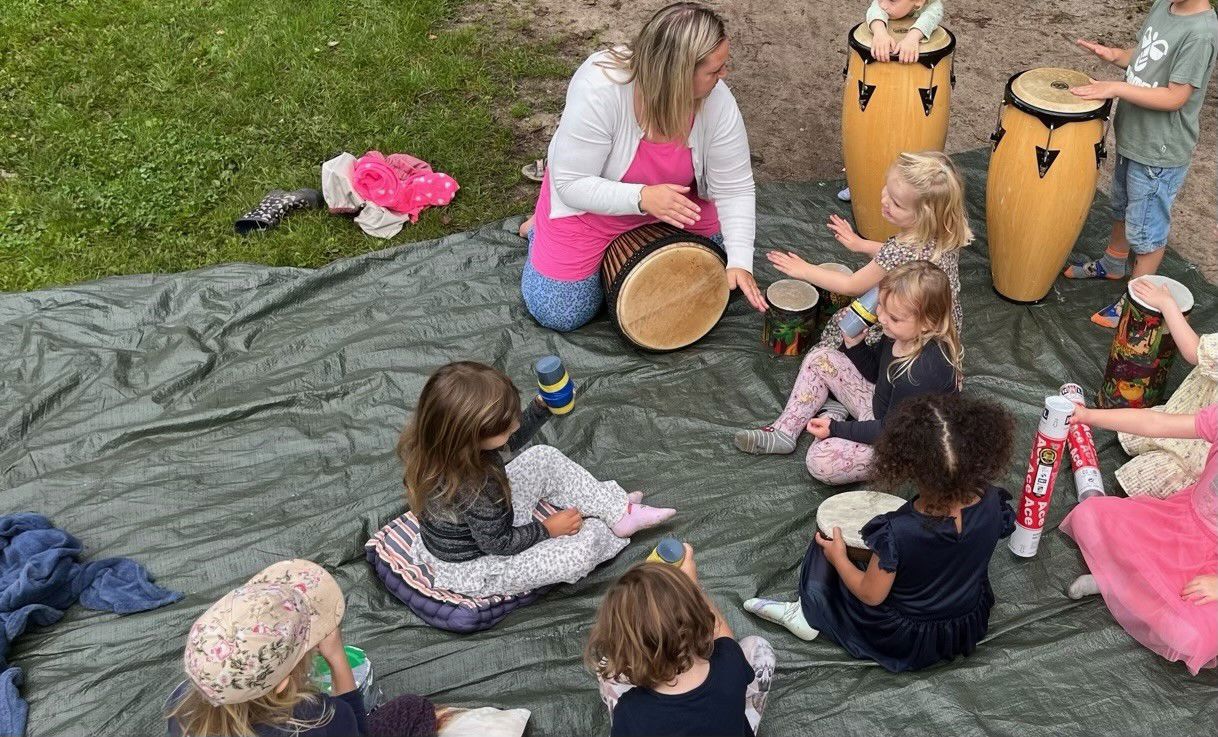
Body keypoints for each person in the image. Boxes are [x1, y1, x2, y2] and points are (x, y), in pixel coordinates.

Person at [517, 2, 767, 332]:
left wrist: (740, 261)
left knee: (717, 278)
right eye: (714, 71)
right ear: (677, 75)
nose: (723, 77)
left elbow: (734, 187)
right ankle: (540, 228)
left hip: (677, 204)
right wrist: (642, 198)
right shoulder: (601, 89)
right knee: (560, 313)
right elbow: (572, 183)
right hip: (593, 207)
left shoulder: (717, 100)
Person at [743, 393, 1016, 672]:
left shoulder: (898, 531)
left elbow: (871, 595)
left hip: (905, 637)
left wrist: (839, 558)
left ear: (906, 465)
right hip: (962, 622)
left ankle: (808, 612)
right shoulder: (994, 502)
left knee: (824, 542)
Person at [398, 361, 675, 599]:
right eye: (506, 425)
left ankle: (618, 511)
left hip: (491, 523)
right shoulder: (477, 489)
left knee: (543, 456)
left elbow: (507, 442)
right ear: (471, 437)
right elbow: (497, 545)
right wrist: (547, 529)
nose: (516, 424)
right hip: (481, 560)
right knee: (576, 555)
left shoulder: (439, 445)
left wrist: (540, 407)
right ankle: (605, 527)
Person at [733, 261, 962, 485]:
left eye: (893, 317)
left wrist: (835, 428)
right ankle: (785, 430)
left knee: (821, 461)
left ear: (927, 323)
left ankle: (838, 418)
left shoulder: (920, 373)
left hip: (904, 444)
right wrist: (855, 346)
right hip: (881, 412)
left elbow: (890, 430)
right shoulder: (900, 334)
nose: (881, 318)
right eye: (881, 306)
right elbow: (875, 373)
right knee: (820, 358)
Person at [1063, 0, 1218, 328]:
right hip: (1135, 139)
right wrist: (1117, 56)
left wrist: (1115, 88)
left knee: (1147, 231)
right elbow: (1150, 54)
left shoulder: (1201, 33)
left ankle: (1136, 304)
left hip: (1159, 152)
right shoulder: (1165, 5)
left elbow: (1176, 96)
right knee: (1122, 207)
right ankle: (1113, 263)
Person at [166, 560, 438, 737]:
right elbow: (355, 729)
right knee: (414, 708)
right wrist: (336, 657)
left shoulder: (181, 705)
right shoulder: (317, 718)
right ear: (282, 684)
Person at [1062, 403, 1217, 675]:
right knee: (1090, 515)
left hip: (1212, 569)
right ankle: (1125, 585)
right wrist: (1088, 416)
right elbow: (1157, 423)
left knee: (1190, 636)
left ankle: (1116, 584)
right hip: (1178, 525)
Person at [769, 150, 970, 352]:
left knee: (846, 324)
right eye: (887, 189)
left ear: (923, 217)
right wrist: (861, 245)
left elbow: (851, 285)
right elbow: (902, 258)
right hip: (940, 327)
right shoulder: (945, 233)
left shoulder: (900, 250)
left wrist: (805, 270)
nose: (885, 200)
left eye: (896, 203)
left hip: (911, 338)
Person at [587, 548, 774, 736]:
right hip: (729, 717)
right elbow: (722, 634)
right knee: (759, 647)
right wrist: (693, 584)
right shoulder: (729, 664)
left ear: (627, 649)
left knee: (608, 671)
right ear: (699, 616)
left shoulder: (631, 712)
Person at [1113, 277, 1216, 497]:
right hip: (1191, 413)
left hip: (1196, 447)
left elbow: (1193, 351)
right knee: (1153, 425)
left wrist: (1167, 304)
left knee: (1141, 479)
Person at [838, 1, 946, 201]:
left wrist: (913, 38)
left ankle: (911, 195)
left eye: (893, 0)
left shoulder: (934, 7)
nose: (884, 4)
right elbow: (874, 10)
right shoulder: (884, 3)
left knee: (910, 143)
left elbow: (930, 18)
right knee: (871, 136)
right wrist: (880, 33)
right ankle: (861, 184)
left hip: (918, 78)